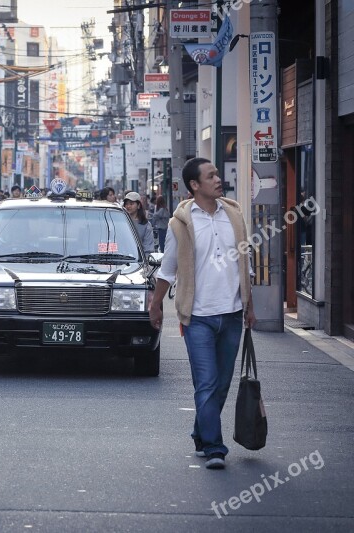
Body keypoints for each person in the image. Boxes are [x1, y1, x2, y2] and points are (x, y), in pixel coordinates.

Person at [148, 157, 256, 470]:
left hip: (233, 313)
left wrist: (249, 306)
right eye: (211, 176)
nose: (218, 179)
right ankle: (214, 447)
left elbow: (243, 263)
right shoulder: (180, 222)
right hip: (197, 317)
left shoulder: (233, 214)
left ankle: (200, 432)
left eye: (217, 173)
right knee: (206, 383)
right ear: (195, 185)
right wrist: (155, 305)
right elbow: (167, 270)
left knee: (221, 384)